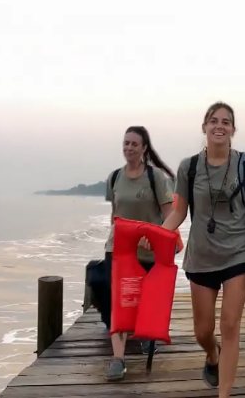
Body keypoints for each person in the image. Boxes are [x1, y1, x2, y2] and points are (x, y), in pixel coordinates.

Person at [160, 102, 245, 397]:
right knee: (202, 331)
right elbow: (179, 212)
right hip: (201, 256)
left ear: (233, 129)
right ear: (204, 126)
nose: (219, 126)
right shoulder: (189, 167)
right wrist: (159, 234)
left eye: (226, 122)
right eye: (213, 121)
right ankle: (212, 354)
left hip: (239, 254)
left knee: (230, 325)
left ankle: (224, 393)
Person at [103, 126, 175, 381]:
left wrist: (157, 239)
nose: (129, 148)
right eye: (126, 143)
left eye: (134, 144)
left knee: (144, 302)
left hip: (148, 252)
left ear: (144, 148)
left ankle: (146, 336)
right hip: (119, 251)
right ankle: (118, 359)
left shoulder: (156, 179)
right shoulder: (114, 178)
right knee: (119, 303)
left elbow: (170, 217)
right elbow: (115, 215)